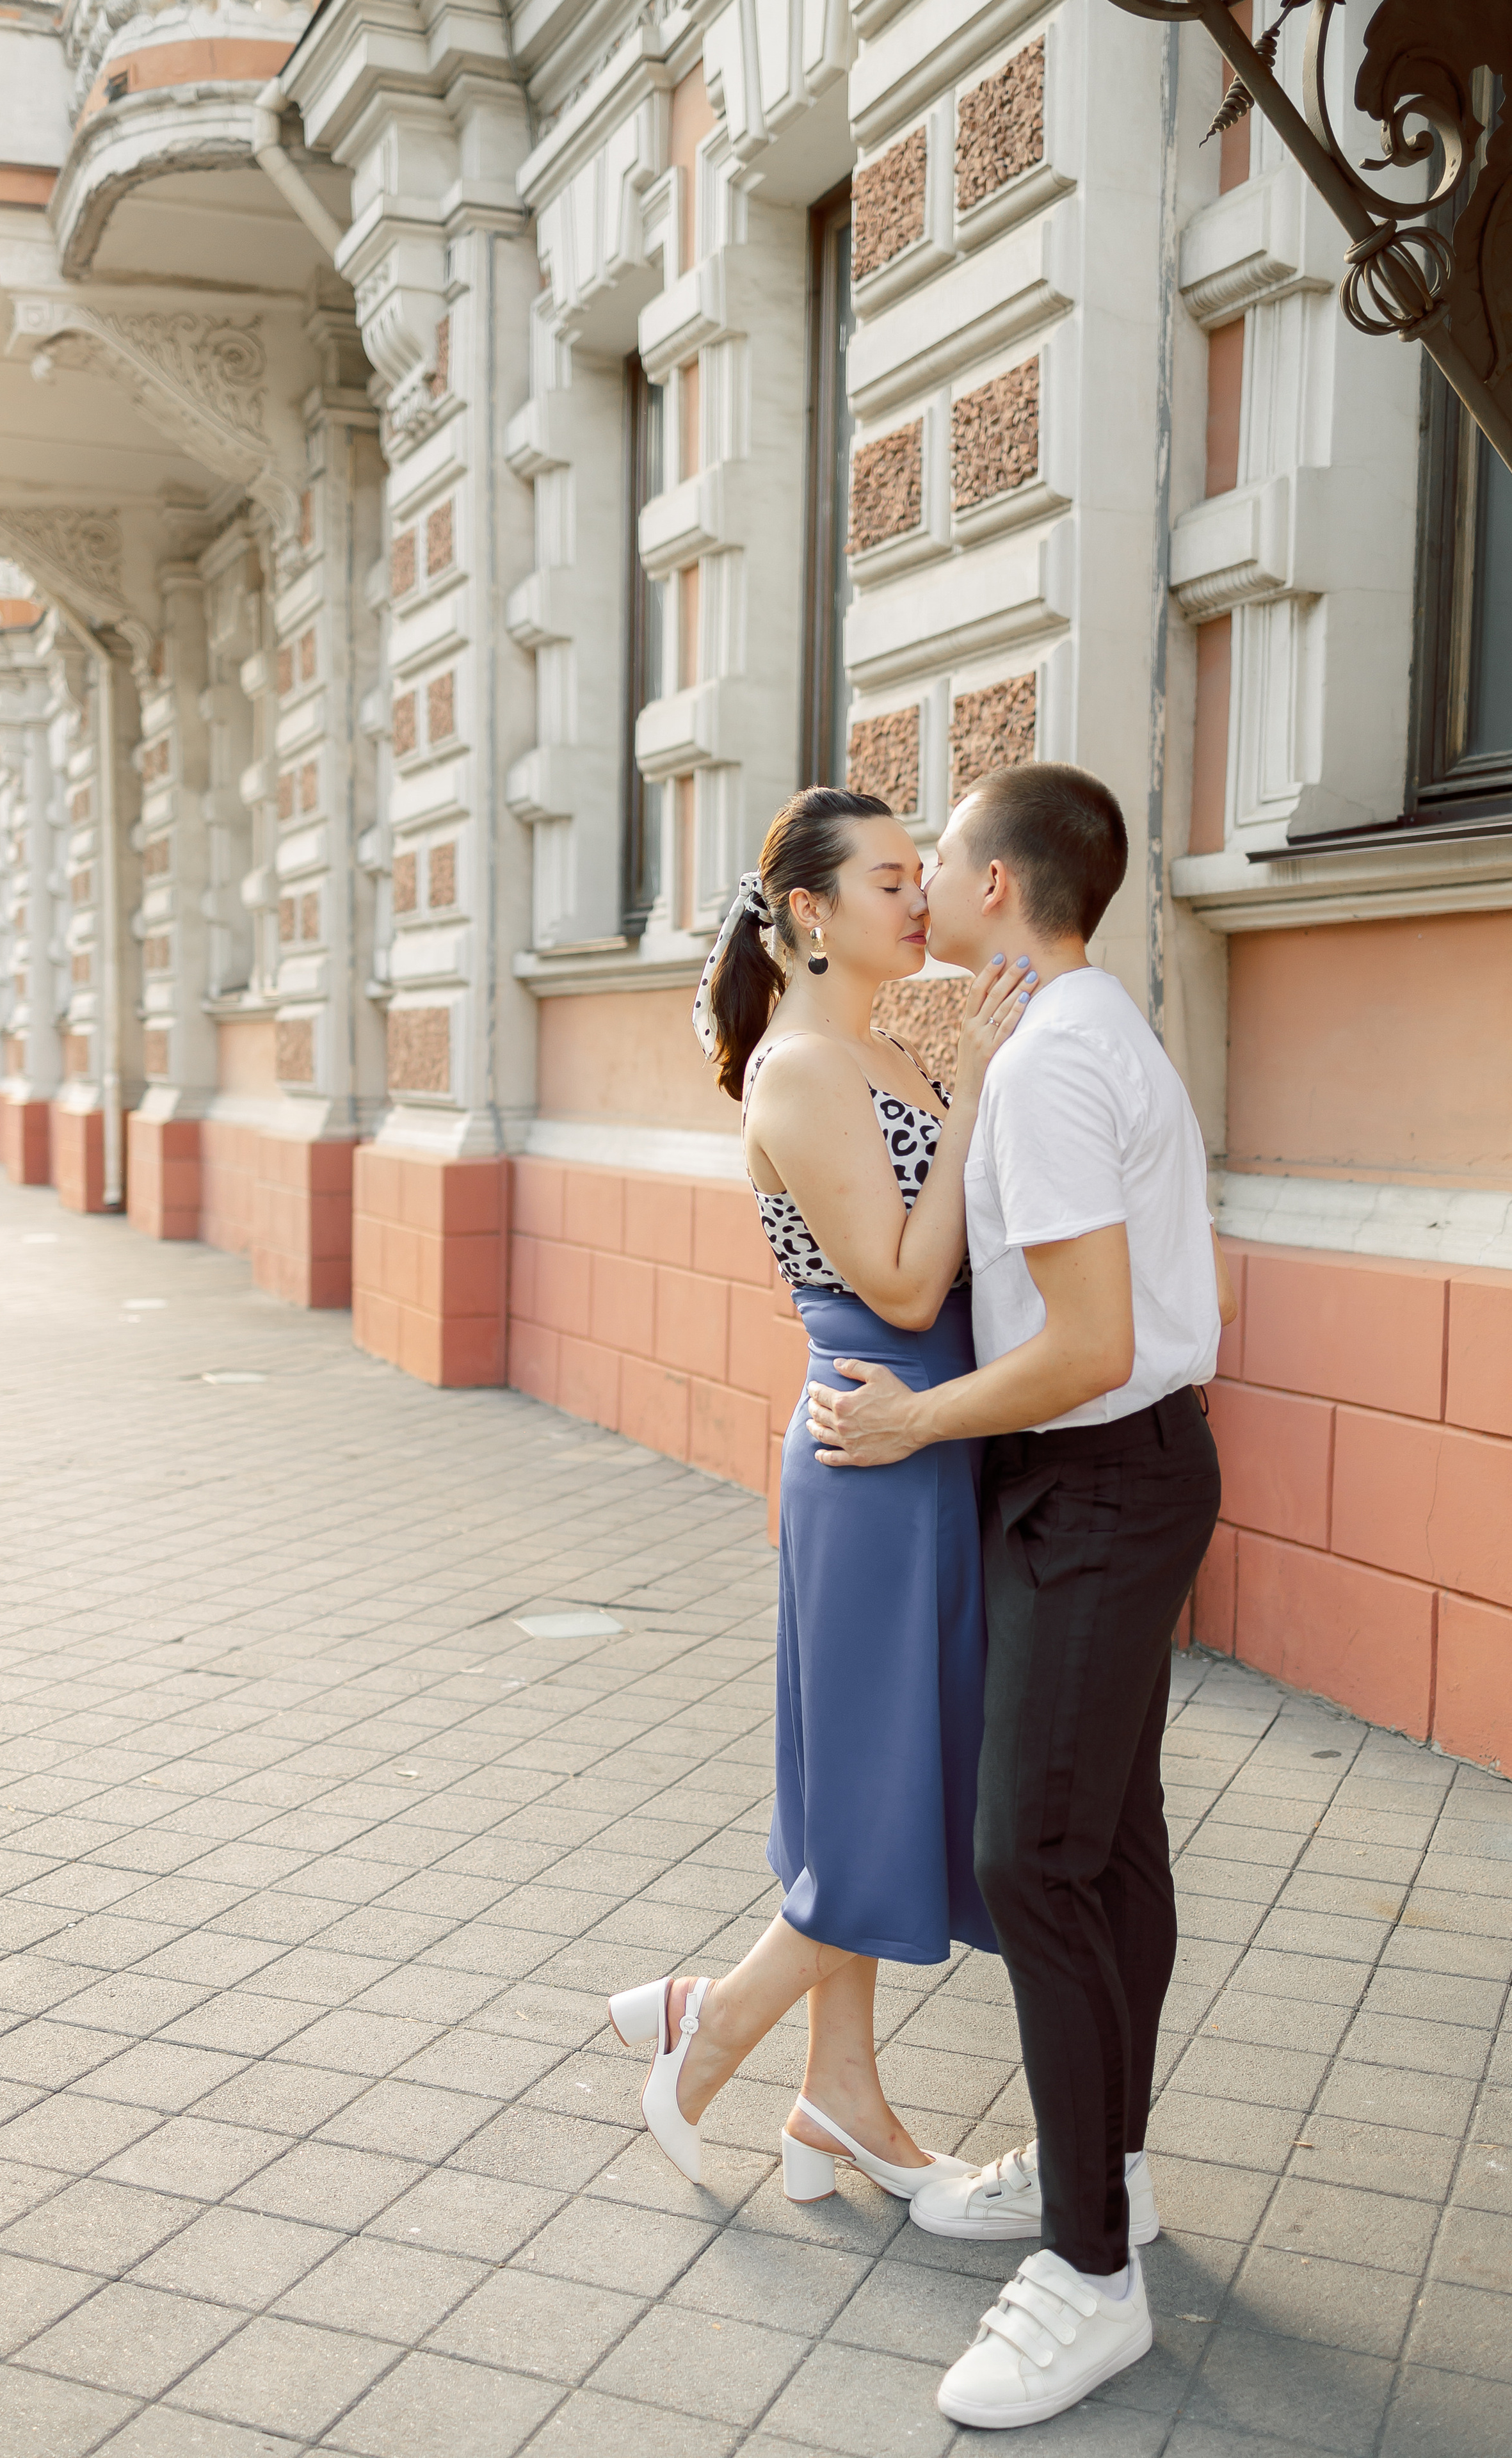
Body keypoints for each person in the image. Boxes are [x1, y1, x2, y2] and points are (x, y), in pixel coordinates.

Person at [807, 762, 1235, 2432]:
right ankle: (1101, 2181)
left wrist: (913, 1416)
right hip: (1106, 1479)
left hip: (1101, 1482)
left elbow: (1088, 1346)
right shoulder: (1073, 1036)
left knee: (1031, 1856)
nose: (921, 895)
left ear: (998, 889)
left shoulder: (1058, 1061)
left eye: (940, 867)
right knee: (1106, 1839)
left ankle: (1089, 2276)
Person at [606, 785, 1032, 2204]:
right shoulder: (802, 1069)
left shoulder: (871, 1049)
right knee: (879, 1801)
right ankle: (707, 2026)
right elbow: (905, 1285)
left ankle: (834, 2102)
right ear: (810, 914)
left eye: (923, 877)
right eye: (891, 882)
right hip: (873, 1452)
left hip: (923, 1441)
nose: (921, 901)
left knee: (872, 1786)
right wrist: (975, 1082)